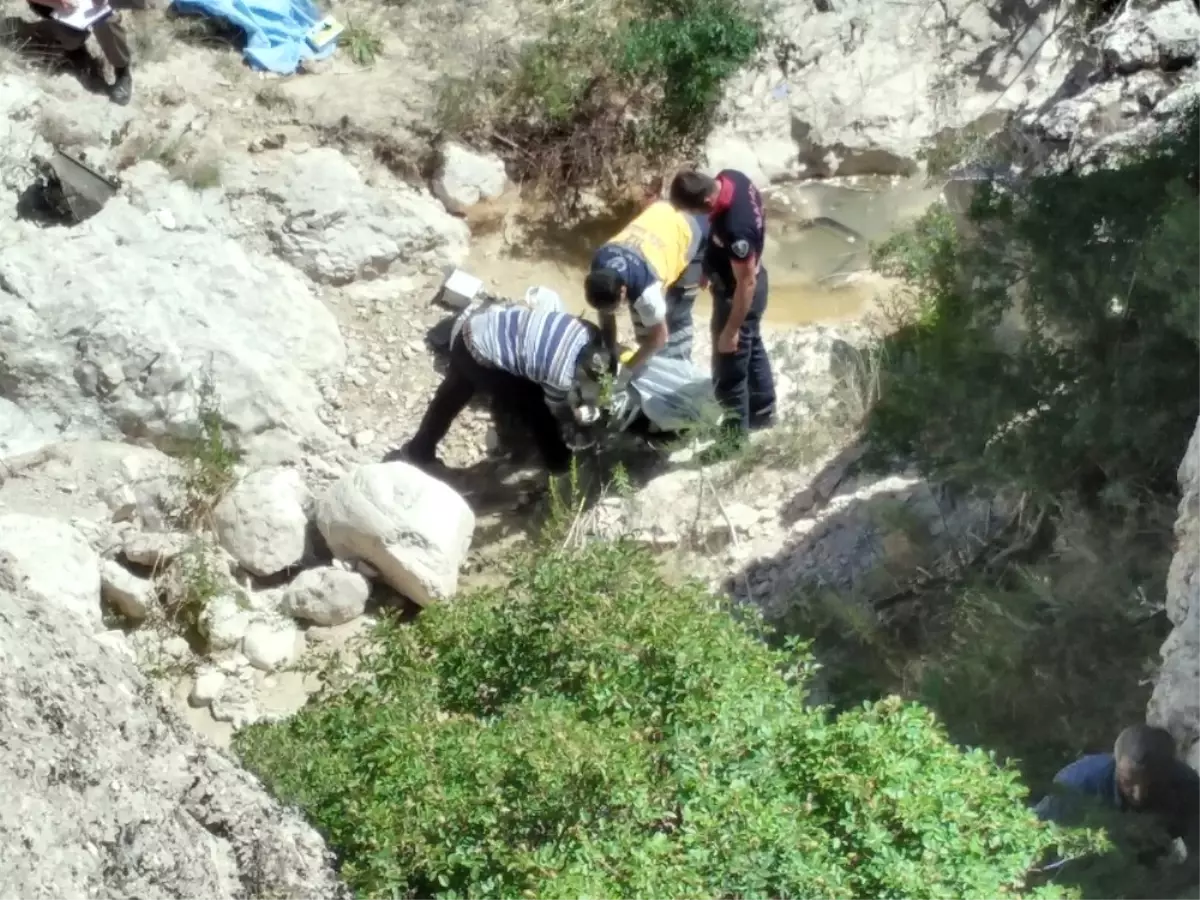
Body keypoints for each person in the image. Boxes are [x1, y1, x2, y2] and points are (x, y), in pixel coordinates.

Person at [391, 305, 615, 474]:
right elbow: (561, 412)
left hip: (477, 328)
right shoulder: (561, 374)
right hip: (482, 356)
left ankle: (418, 450)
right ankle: (558, 464)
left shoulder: (587, 332)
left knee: (452, 396)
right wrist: (584, 419)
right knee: (537, 410)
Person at [669, 169, 777, 451]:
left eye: (693, 211)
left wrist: (731, 329)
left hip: (739, 295)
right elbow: (716, 230)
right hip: (736, 280)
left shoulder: (737, 228)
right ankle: (763, 413)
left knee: (729, 371)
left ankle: (732, 443)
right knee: (752, 346)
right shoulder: (731, 178)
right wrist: (707, 266)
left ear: (706, 201)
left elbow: (747, 282)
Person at [1034, 725, 1200, 859]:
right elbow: (1032, 833)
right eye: (1127, 782)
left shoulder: (1187, 787)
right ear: (1116, 761)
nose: (1139, 795)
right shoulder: (1078, 785)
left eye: (1153, 784)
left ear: (1169, 771)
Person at [583, 197, 705, 376]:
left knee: (677, 312)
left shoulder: (647, 294)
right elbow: (606, 314)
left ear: (623, 290)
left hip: (691, 230)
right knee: (645, 330)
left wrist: (627, 370)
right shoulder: (600, 266)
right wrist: (610, 353)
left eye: (614, 307)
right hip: (660, 211)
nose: (611, 311)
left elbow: (659, 337)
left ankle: (679, 366)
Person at [29, 0, 135, 106]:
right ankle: (75, 49)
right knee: (70, 36)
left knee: (106, 21)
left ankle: (122, 71)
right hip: (57, 7)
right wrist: (58, 3)